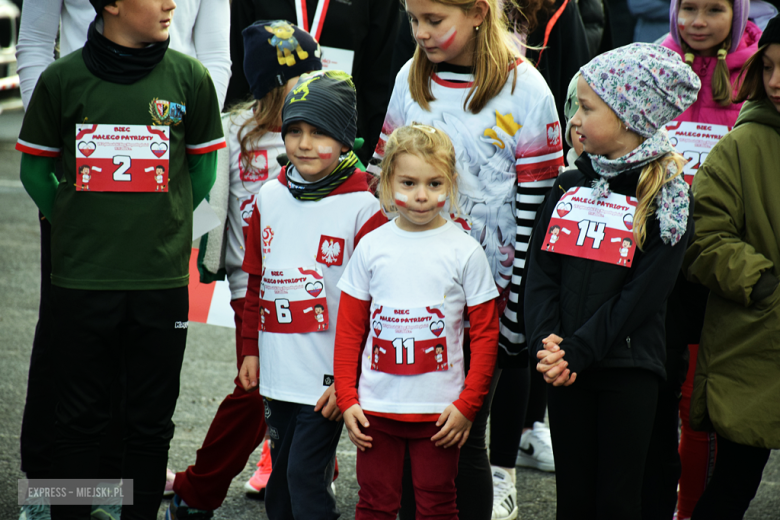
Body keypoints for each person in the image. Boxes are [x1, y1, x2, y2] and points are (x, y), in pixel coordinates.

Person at [14, 0, 231, 512]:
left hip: (159, 278)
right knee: (77, 417)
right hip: (82, 276)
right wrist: (74, 222)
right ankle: (57, 500)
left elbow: (202, 172)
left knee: (149, 421)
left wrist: (170, 221)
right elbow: (34, 172)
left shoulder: (189, 77)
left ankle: (128, 504)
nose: (171, 4)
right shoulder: (63, 80)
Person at [370, 1, 564, 518]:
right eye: (413, 20)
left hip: (484, 304)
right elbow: (380, 182)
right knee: (412, 433)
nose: (421, 33)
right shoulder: (410, 78)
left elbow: (538, 215)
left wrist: (518, 313)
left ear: (479, 12)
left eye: (434, 21)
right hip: (407, 297)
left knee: (460, 438)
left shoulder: (527, 90)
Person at [524, 43, 700, 517]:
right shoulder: (567, 185)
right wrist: (549, 344)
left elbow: (645, 293)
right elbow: (541, 273)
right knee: (573, 499)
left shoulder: (666, 195)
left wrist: (579, 349)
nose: (574, 119)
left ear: (627, 116)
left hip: (627, 372)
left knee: (618, 500)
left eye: (586, 107)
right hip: (564, 368)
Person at [164, 21, 323, 520]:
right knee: (256, 393)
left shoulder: (324, 131)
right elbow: (209, 209)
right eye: (300, 77)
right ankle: (198, 490)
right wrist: (210, 264)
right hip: (252, 287)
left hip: (318, 288)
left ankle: (310, 479)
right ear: (271, 85)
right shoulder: (233, 132)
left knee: (311, 387)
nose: (311, 85)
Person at [237, 69, 385, 520]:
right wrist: (249, 349)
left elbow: (377, 305)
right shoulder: (267, 197)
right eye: (294, 130)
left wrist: (350, 380)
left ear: (345, 141)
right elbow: (256, 282)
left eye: (319, 132)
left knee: (305, 481)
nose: (303, 143)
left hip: (328, 382)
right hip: (279, 374)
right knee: (280, 489)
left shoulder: (366, 206)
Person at [333, 124, 499, 520]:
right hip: (375, 409)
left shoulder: (466, 251)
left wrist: (468, 405)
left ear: (451, 183)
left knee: (438, 505)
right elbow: (350, 329)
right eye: (408, 182)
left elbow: (487, 336)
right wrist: (347, 397)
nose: (421, 196)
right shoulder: (372, 246)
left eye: (434, 183)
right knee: (374, 504)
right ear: (388, 181)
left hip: (441, 415)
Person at [644, 1, 761, 517]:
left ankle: (690, 508)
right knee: (658, 396)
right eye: (688, 7)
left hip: (718, 261)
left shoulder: (756, 72)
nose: (697, 20)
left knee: (700, 406)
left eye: (714, 9)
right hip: (660, 260)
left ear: (736, 13)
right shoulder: (651, 65)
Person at [682, 17, 780, 517]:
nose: (777, 80)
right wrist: (762, 284)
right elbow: (703, 235)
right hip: (752, 340)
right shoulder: (740, 147)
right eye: (768, 66)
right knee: (733, 484)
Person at [225, 0, 401, 164]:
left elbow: (381, 81)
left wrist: (375, 164)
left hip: (343, 138)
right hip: (261, 134)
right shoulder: (233, 132)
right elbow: (238, 69)